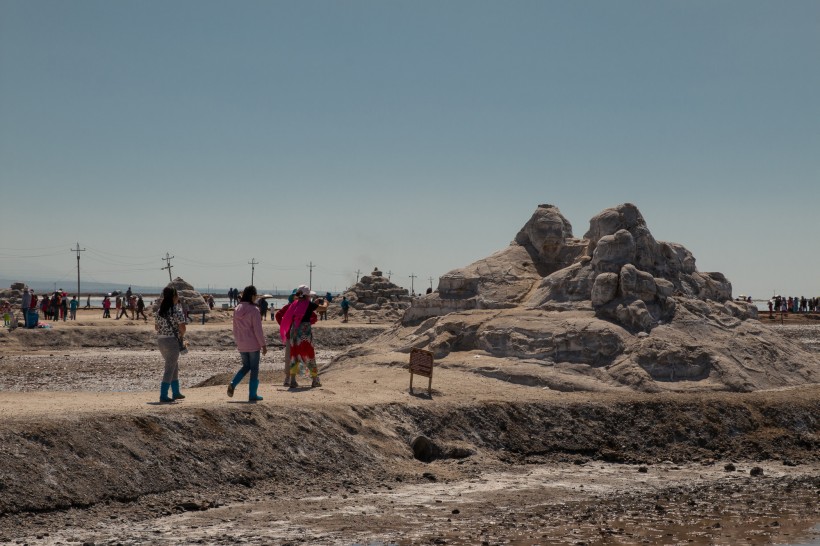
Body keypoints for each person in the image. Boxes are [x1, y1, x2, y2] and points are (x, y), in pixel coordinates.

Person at [279, 285, 328, 388]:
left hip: (294, 331)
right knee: (309, 354)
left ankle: (292, 380)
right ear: (306, 295)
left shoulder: (294, 304)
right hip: (305, 332)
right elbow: (323, 308)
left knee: (294, 354)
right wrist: (325, 301)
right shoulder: (308, 304)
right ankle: (315, 380)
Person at [227, 285, 267, 402]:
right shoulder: (254, 310)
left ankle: (233, 383)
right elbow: (257, 330)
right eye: (255, 295)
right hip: (253, 344)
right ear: (252, 296)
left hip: (241, 344)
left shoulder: (237, 308)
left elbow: (234, 329)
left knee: (246, 366)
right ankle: (252, 394)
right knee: (254, 369)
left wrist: (238, 341)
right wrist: (263, 345)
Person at [155, 286, 187, 403]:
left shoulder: (159, 311)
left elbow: (156, 327)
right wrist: (181, 336)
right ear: (174, 297)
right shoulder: (176, 311)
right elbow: (182, 328)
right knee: (170, 367)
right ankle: (163, 395)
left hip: (161, 341)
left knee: (174, 365)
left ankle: (176, 392)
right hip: (172, 341)